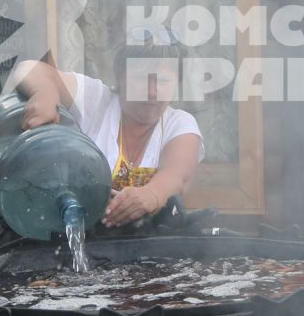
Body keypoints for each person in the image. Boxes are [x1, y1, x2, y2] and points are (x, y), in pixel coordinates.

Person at [12, 26, 204, 228]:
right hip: (77, 232)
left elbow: (177, 176)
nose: (152, 92)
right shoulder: (96, 101)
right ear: (120, 76)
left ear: (177, 83)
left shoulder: (180, 123)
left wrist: (151, 195)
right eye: (140, 77)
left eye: (163, 81)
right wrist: (45, 92)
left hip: (149, 244)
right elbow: (27, 68)